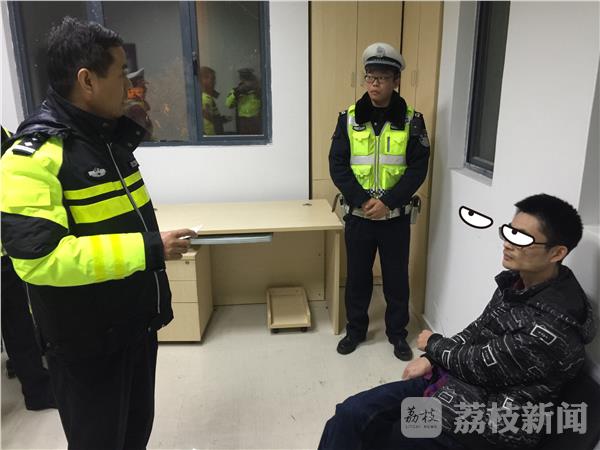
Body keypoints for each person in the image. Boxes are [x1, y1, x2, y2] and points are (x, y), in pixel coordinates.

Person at [1, 17, 196, 449]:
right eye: (122, 72)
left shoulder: (106, 142)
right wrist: (148, 249)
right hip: (86, 346)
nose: (130, 85)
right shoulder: (31, 159)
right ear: (87, 80)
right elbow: (40, 260)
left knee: (134, 436)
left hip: (134, 328)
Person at [318, 194, 596, 450]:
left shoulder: (549, 327)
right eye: (510, 232)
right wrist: (432, 359)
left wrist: (434, 345)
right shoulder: (518, 282)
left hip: (481, 424)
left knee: (385, 436)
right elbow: (478, 328)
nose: (508, 243)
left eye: (522, 238)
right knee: (350, 414)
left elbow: (480, 363)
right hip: (454, 387)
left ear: (557, 253)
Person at [329, 42, 430, 360]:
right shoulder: (348, 118)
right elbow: (337, 164)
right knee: (357, 278)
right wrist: (361, 200)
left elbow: (417, 168)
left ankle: (397, 334)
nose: (374, 84)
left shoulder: (413, 120)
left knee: (396, 279)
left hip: (394, 218)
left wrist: (388, 201)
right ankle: (355, 330)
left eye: (382, 78)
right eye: (370, 77)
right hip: (358, 216)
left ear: (396, 81)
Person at [1, 126, 56, 412]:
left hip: (8, 252)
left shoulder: (7, 134)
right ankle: (35, 386)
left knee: (19, 323)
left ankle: (34, 385)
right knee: (18, 323)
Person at [225, 68, 262, 135]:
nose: (246, 82)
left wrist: (256, 90)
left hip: (256, 120)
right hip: (242, 121)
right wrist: (237, 93)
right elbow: (228, 104)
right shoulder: (237, 90)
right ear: (241, 79)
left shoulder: (257, 90)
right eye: (244, 78)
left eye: (248, 78)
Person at [124, 67, 153, 140]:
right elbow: (143, 138)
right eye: (142, 87)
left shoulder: (126, 107)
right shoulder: (136, 109)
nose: (146, 89)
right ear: (131, 90)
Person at [199, 66, 229, 135]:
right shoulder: (205, 98)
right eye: (212, 79)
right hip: (210, 135)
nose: (214, 82)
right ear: (204, 80)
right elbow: (209, 117)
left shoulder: (207, 96)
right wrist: (222, 120)